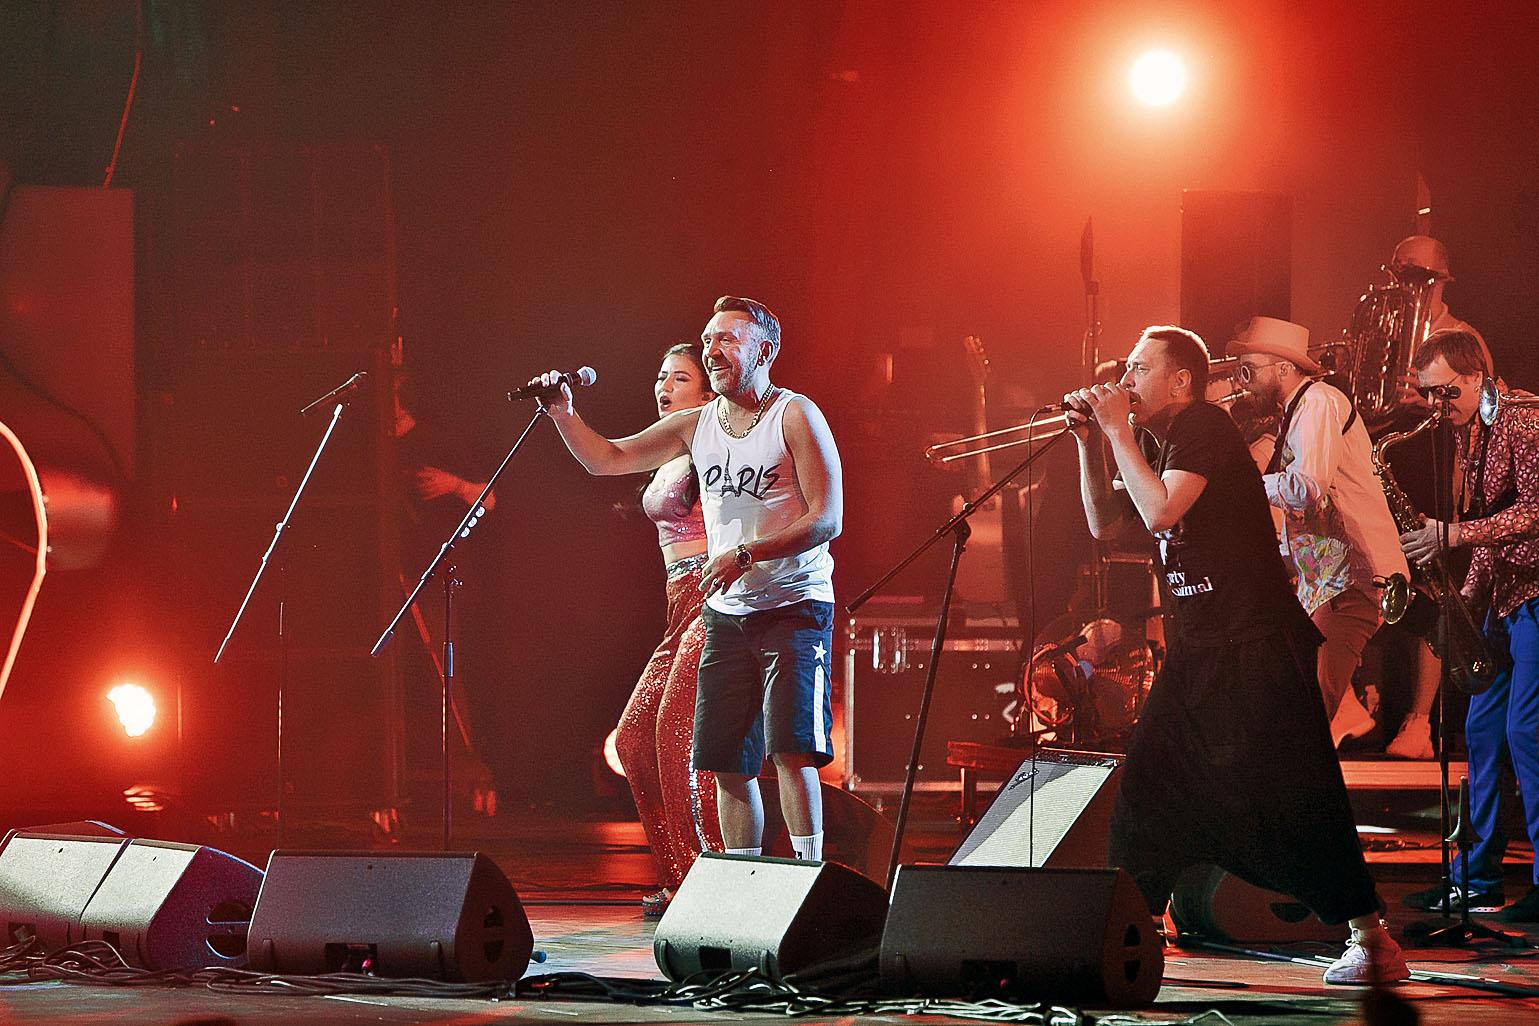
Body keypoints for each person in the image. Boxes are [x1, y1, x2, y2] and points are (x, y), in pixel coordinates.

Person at [1064, 325, 1408, 984]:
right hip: (1199, 650)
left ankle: (1373, 942)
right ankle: (1133, 935)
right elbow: (1105, 526)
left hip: (1255, 647)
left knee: (1296, 793)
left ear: (1181, 380)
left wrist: (1114, 432)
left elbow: (1161, 512)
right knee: (1145, 791)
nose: (1126, 380)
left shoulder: (1204, 427)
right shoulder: (1161, 442)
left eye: (1139, 368)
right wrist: (1091, 444)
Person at [535, 296, 842, 865]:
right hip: (727, 612)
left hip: (793, 605)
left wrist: (746, 554)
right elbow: (606, 459)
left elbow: (827, 519)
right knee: (726, 762)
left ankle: (807, 878)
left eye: (727, 339)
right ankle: (740, 884)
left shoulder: (795, 415)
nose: (712, 350)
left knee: (792, 753)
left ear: (765, 351)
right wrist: (563, 414)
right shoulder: (696, 425)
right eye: (708, 340)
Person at [1399, 329, 1539, 923]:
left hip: (1537, 595)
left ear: (1477, 374)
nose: (1437, 405)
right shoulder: (1470, 431)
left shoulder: (1525, 420)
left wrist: (1452, 534)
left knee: (1527, 732)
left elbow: (1534, 511)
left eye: (1445, 391)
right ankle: (1476, 878)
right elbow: (1489, 526)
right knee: (1481, 732)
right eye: (1428, 393)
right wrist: (1463, 604)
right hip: (1504, 601)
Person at [1230, 317, 1409, 747]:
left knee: (1304, 714)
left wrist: (1242, 483)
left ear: (1283, 368)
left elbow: (1307, 487)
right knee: (1300, 709)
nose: (1242, 383)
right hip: (1327, 581)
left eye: (1249, 370)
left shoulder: (1318, 402)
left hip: (1354, 579)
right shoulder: (1296, 412)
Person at [608, 343, 725, 915]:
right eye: (660, 376)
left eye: (679, 378)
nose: (663, 387)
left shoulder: (715, 446)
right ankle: (679, 877)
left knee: (677, 737)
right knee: (634, 739)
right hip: (677, 603)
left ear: (706, 394)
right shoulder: (666, 452)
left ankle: (714, 878)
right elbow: (604, 457)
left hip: (711, 597)